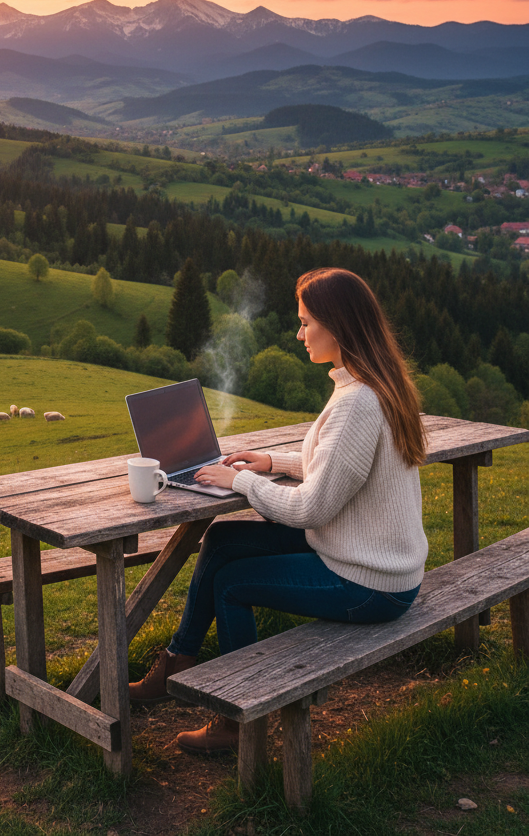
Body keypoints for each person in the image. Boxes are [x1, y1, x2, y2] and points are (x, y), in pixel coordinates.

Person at [128, 267, 428, 754]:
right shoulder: (372, 385)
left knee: (231, 583)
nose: (299, 332)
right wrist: (271, 462)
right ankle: (179, 663)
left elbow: (312, 507)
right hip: (372, 562)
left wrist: (242, 480)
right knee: (223, 541)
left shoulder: (357, 403)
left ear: (338, 325)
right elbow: (338, 466)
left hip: (372, 585)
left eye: (306, 322)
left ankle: (237, 726)